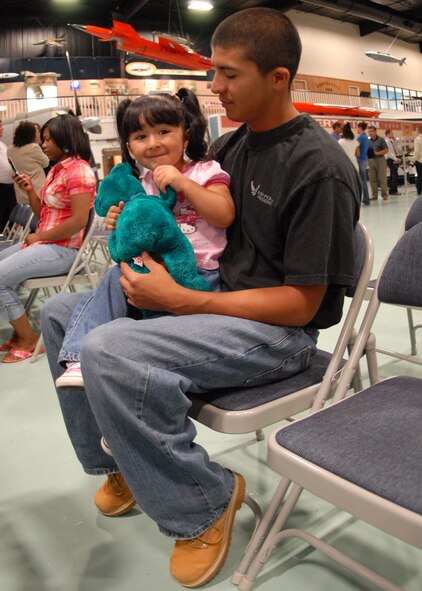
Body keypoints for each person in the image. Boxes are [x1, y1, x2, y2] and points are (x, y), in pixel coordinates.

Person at [41, 9, 360, 588]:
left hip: (277, 334)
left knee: (109, 348)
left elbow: (303, 308)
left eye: (229, 74)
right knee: (62, 314)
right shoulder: (235, 148)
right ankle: (123, 464)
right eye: (215, 72)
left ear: (278, 78)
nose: (214, 87)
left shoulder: (320, 169)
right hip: (213, 301)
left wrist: (186, 303)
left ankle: (203, 502)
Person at [54, 88, 234, 388]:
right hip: (152, 271)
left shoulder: (204, 170)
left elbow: (224, 214)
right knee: (114, 277)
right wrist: (117, 220)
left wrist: (183, 184)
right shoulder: (140, 184)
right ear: (129, 146)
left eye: (163, 131)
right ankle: (78, 358)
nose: (153, 143)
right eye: (140, 137)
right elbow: (133, 233)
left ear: (186, 135)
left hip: (202, 273)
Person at [0, 114, 96, 363]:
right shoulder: (57, 170)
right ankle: (21, 332)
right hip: (47, 244)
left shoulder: (79, 171)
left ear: (65, 138)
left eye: (47, 139)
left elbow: (78, 221)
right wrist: (30, 190)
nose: (43, 145)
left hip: (63, 250)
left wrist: (39, 236)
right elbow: (42, 213)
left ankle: (28, 339)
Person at [7, 120, 50, 205]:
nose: (39, 135)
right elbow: (46, 163)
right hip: (36, 192)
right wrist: (38, 144)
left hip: (21, 194)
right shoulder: (34, 147)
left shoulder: (10, 149)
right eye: (37, 132)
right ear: (31, 134)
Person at [0, 118, 17, 229]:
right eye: (0, 126)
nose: (2, 128)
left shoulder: (3, 145)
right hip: (1, 187)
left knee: (8, 218)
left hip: (9, 186)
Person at [368, 125, 388, 201]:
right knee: (372, 178)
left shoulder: (381, 140)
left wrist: (378, 153)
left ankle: (384, 194)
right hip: (371, 160)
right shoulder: (368, 141)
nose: (370, 133)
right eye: (369, 132)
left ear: (375, 132)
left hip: (380, 160)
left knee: (382, 178)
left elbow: (386, 150)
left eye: (372, 131)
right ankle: (374, 195)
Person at [356, 121, 370, 206]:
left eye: (357, 127)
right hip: (365, 159)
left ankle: (365, 199)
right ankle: (366, 198)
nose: (356, 129)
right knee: (364, 180)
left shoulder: (361, 138)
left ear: (360, 128)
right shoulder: (365, 137)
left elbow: (356, 147)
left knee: (362, 180)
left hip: (360, 159)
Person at [384, 129, 401, 195]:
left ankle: (392, 189)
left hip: (393, 158)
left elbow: (395, 147)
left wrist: (395, 140)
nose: (393, 135)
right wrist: (395, 158)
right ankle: (393, 190)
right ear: (388, 134)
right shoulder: (386, 141)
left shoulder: (390, 141)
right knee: (394, 175)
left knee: (393, 174)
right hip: (390, 159)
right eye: (391, 133)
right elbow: (389, 152)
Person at [414, 126, 422, 197]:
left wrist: (413, 160)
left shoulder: (417, 139)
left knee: (420, 176)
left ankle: (419, 191)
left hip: (420, 161)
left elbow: (417, 152)